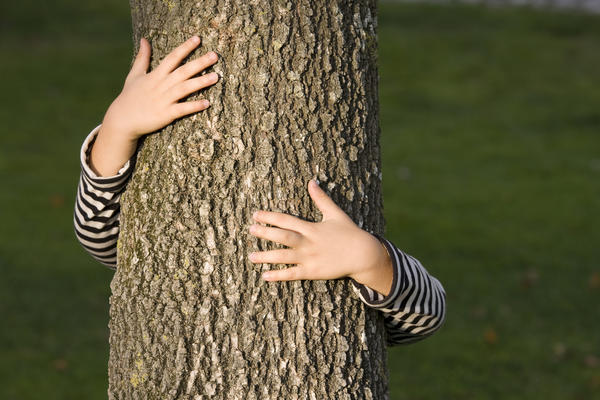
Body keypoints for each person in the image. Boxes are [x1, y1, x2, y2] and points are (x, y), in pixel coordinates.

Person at [74, 36, 446, 346]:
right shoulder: (152, 245)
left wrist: (369, 259)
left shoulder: (337, 260)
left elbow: (426, 316)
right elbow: (101, 237)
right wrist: (118, 127)